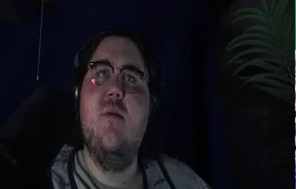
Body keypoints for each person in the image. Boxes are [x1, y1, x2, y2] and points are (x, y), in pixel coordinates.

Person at [49, 31, 211, 189]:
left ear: (151, 106)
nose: (115, 89)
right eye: (102, 72)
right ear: (78, 94)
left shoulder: (186, 183)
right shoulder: (38, 178)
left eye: (131, 78)